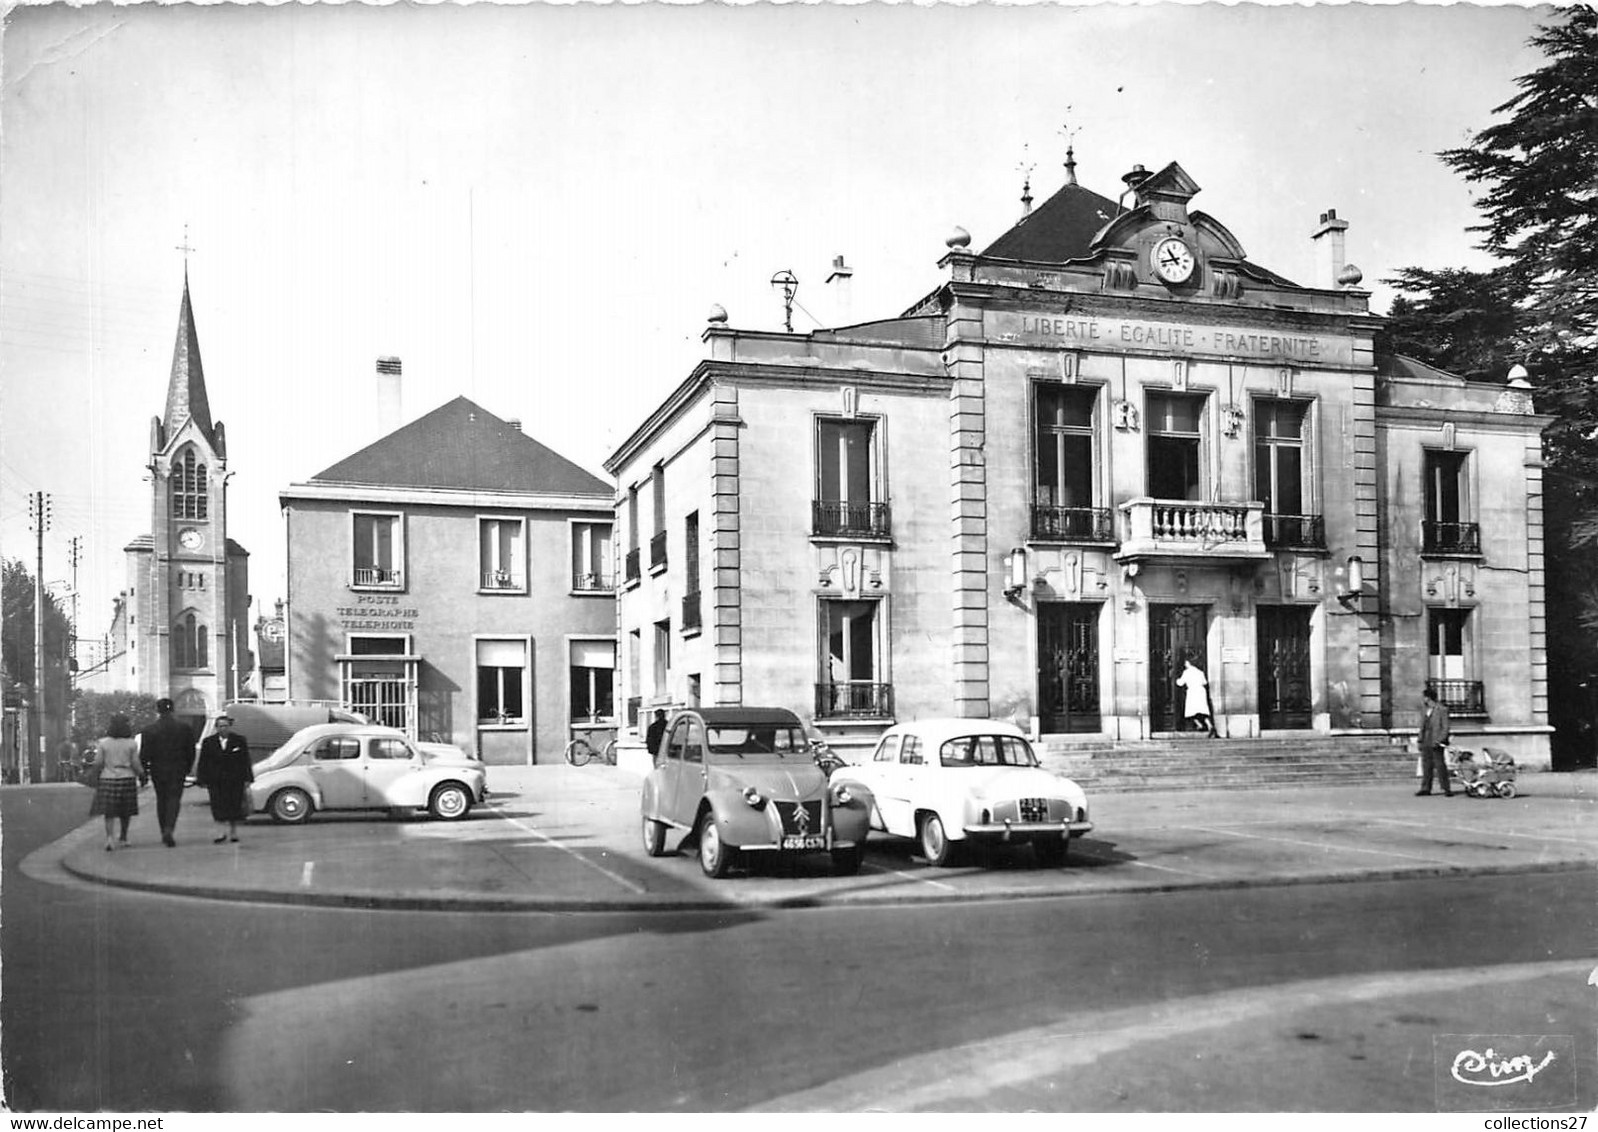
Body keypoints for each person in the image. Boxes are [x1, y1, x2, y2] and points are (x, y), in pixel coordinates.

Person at [139, 697, 196, 846]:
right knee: (174, 799)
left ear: (158, 710)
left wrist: (144, 772)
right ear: (173, 709)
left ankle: (163, 828)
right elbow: (191, 751)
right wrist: (187, 767)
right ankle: (169, 828)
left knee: (161, 799)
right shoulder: (185, 728)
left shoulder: (149, 730)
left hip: (158, 769)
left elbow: (144, 754)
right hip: (178, 768)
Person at [89, 714, 146, 851]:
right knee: (125, 811)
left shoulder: (103, 743)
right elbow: (135, 763)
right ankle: (124, 837)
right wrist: (142, 775)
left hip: (107, 778)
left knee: (109, 812)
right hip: (127, 777)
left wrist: (93, 776)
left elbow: (98, 763)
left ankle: (109, 838)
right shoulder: (131, 743)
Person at [194, 712, 254, 844]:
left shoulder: (239, 741)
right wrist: (201, 779)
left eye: (226, 726)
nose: (223, 729)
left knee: (234, 806)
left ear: (229, 726)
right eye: (220, 726)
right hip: (216, 780)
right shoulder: (208, 742)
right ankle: (220, 832)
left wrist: (248, 779)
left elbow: (245, 761)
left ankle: (233, 832)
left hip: (234, 780)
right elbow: (203, 762)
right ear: (216, 727)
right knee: (217, 806)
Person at [1416, 685, 1454, 797]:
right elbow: (1422, 726)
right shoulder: (1424, 710)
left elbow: (1445, 727)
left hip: (1436, 741)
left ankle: (1446, 788)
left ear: (1428, 698)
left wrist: (1440, 739)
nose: (1423, 699)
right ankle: (1426, 788)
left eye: (1424, 697)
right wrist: (1420, 740)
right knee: (1426, 766)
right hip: (1426, 740)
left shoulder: (1442, 709)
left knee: (1440, 765)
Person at [1175, 657, 1218, 737]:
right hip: (1201, 692)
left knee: (1191, 711)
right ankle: (1209, 726)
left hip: (1192, 692)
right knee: (1202, 711)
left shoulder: (1187, 672)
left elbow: (1180, 683)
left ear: (1189, 663)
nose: (1185, 664)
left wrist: (1176, 680)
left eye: (1186, 663)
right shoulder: (1200, 672)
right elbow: (1204, 682)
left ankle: (1199, 725)